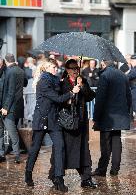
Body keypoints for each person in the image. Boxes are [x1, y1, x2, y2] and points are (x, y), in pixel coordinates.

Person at [25, 58, 80, 192]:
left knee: (60, 147)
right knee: (35, 148)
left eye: (56, 67)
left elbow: (62, 90)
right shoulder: (43, 82)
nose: (56, 69)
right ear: (46, 68)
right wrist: (72, 92)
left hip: (54, 120)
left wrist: (75, 83)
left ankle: (59, 179)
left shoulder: (56, 81)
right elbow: (58, 98)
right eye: (53, 67)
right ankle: (28, 173)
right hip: (42, 120)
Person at [49, 59, 97, 189]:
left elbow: (91, 96)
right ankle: (56, 176)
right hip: (67, 122)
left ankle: (86, 178)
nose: (75, 70)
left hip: (80, 122)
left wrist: (82, 86)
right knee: (63, 149)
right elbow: (58, 100)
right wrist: (71, 95)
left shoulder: (83, 80)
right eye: (72, 68)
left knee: (83, 150)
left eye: (76, 68)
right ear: (67, 70)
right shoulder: (62, 83)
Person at [92, 59, 132, 176]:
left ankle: (102, 169)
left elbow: (100, 99)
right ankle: (115, 169)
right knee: (116, 142)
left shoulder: (105, 76)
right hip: (120, 115)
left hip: (107, 117)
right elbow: (128, 96)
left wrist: (96, 116)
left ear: (104, 64)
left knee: (105, 144)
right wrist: (127, 112)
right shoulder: (123, 75)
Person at [0, 53, 25, 163]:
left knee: (11, 132)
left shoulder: (9, 72)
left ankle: (16, 156)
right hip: (18, 106)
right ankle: (5, 153)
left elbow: (10, 92)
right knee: (10, 130)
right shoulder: (20, 70)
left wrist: (5, 107)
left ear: (5, 61)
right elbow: (25, 83)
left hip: (9, 108)